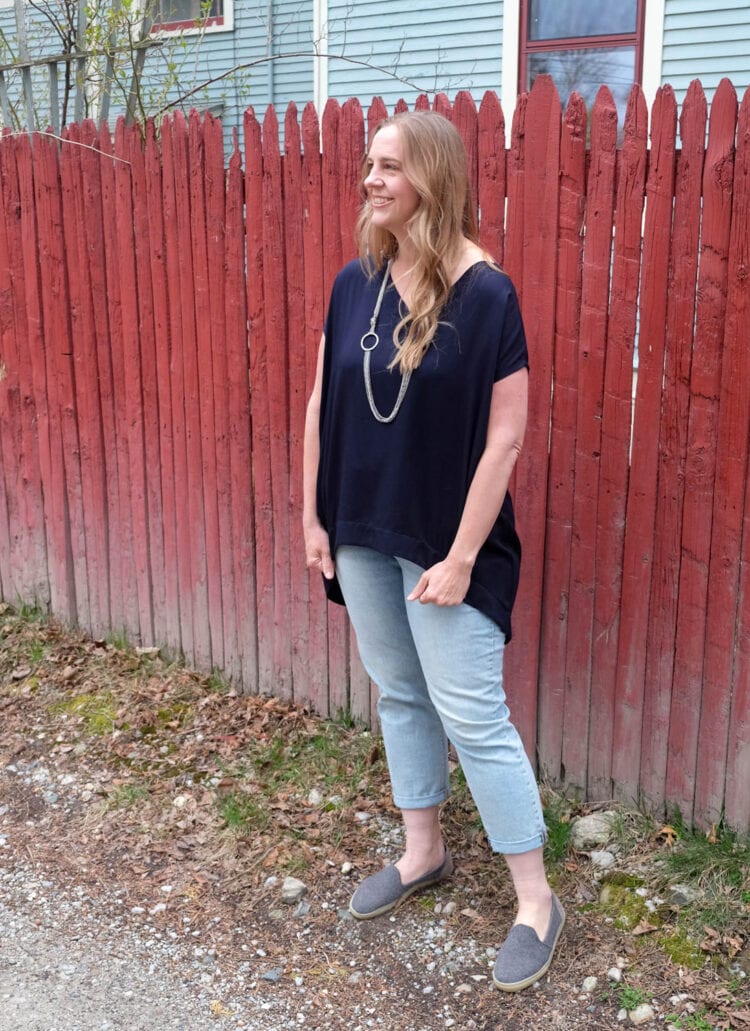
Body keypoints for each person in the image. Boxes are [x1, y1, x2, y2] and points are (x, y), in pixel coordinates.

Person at [302, 109, 564, 993]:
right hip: (362, 528)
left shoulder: (488, 295)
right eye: (368, 166)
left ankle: (536, 899)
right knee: (399, 694)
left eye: (387, 167)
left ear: (432, 178)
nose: (370, 180)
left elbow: (506, 440)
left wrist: (459, 556)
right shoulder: (355, 282)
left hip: (451, 547)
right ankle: (425, 852)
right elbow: (319, 404)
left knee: (471, 711)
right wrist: (314, 516)